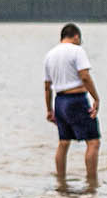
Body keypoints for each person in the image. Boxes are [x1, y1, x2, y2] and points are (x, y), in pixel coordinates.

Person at [42, 23, 101, 182]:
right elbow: (85, 77)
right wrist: (96, 98)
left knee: (63, 142)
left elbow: (47, 87)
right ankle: (92, 181)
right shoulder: (77, 51)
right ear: (76, 36)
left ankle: (61, 181)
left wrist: (49, 110)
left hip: (59, 101)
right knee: (93, 141)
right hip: (76, 100)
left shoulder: (50, 55)